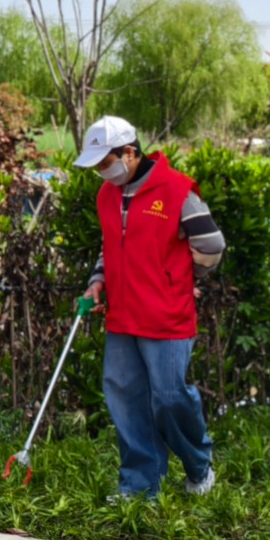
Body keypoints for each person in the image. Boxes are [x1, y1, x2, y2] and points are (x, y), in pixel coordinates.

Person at [75, 116, 226, 499]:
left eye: (105, 162)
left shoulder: (177, 191)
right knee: (126, 400)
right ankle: (140, 486)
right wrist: (97, 281)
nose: (101, 171)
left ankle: (199, 467)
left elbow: (212, 246)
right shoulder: (107, 195)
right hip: (122, 316)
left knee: (170, 398)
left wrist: (179, 278)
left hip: (166, 315)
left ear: (129, 152)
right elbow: (110, 246)